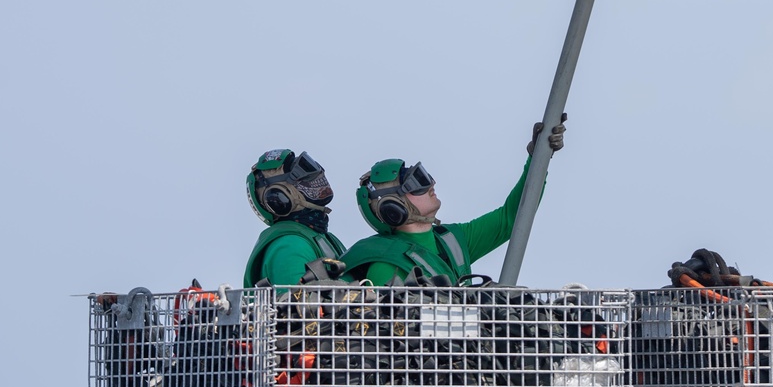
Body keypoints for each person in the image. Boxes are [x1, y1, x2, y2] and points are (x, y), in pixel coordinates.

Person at [341, 120, 566, 285]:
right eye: (416, 183)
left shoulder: (453, 241)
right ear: (393, 210)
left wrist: (537, 160)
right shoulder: (384, 263)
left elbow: (512, 218)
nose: (431, 184)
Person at [243, 148, 347, 287]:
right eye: (302, 181)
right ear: (280, 198)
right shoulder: (289, 245)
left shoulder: (324, 238)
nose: (314, 183)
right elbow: (298, 304)